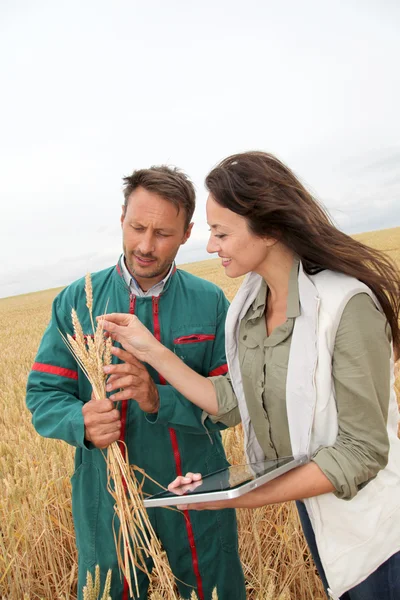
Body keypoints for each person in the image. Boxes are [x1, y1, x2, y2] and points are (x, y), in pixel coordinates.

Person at [100, 152, 400, 600]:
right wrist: (154, 352)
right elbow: (236, 399)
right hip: (319, 518)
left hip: (380, 533)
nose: (210, 246)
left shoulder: (346, 306)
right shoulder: (250, 305)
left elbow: (361, 452)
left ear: (271, 228)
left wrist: (234, 497)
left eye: (221, 232)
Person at [25, 165, 246, 600]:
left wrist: (156, 398)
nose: (145, 245)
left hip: (197, 487)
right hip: (107, 496)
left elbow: (233, 404)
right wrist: (80, 421)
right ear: (122, 217)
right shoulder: (76, 301)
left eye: (163, 233)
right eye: (137, 227)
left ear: (186, 233)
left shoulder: (211, 302)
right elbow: (43, 394)